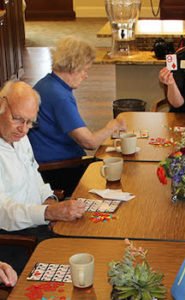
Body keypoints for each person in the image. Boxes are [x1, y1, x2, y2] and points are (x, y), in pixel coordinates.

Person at [0, 80, 86, 273]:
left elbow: (34, 176)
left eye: (30, 122)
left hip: (38, 224)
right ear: (1, 106)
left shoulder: (19, 137)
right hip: (14, 240)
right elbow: (3, 212)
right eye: (18, 119)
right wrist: (47, 213)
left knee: (90, 238)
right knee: (77, 261)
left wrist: (49, 201)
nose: (23, 129)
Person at [28, 36, 126, 196]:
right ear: (72, 67)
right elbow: (90, 142)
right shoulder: (60, 96)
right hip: (58, 169)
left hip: (51, 163)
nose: (86, 76)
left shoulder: (47, 84)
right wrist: (113, 125)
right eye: (84, 70)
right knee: (118, 172)